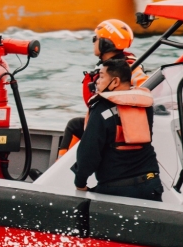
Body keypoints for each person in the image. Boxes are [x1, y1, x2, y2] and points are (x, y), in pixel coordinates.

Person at [74, 60, 163, 201]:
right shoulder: (145, 105)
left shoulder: (102, 108)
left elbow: (89, 152)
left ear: (115, 82)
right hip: (151, 185)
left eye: (101, 77)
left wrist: (80, 182)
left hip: (116, 189)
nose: (97, 81)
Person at [59, 19, 148, 156]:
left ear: (105, 43)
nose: (93, 42)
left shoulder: (128, 67)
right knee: (78, 124)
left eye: (96, 39)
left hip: (117, 123)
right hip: (110, 118)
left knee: (74, 125)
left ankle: (58, 170)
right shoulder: (110, 65)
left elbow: (145, 85)